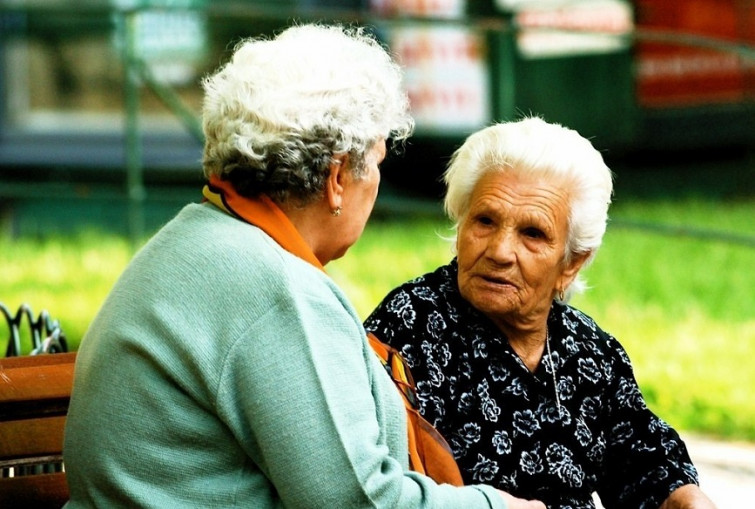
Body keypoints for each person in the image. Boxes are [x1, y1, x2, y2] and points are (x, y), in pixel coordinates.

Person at [63, 24, 545, 508]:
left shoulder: (200, 238)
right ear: (337, 178)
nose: (375, 182)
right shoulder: (278, 292)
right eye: (376, 161)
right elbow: (357, 502)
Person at [365, 117, 718, 508]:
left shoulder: (588, 352)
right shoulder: (408, 326)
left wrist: (685, 497)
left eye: (532, 234)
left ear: (572, 263)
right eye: (485, 221)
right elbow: (376, 484)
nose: (500, 251)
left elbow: (644, 458)